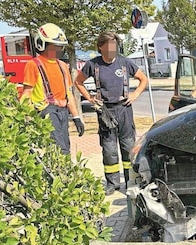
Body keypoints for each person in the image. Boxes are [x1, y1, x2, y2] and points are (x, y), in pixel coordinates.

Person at [74, 32, 149, 195]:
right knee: (109, 150)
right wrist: (90, 98)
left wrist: (134, 95)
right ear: (100, 47)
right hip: (105, 111)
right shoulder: (92, 65)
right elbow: (78, 82)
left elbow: (144, 80)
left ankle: (131, 180)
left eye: (114, 45)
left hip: (124, 109)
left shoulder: (125, 63)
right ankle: (112, 183)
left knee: (128, 147)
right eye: (108, 45)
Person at [21, 23, 84, 155]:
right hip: (46, 112)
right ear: (42, 44)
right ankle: (62, 174)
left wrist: (76, 117)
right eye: (55, 46)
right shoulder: (33, 65)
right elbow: (27, 93)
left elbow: (69, 94)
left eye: (60, 47)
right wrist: (22, 116)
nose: (58, 50)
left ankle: (64, 174)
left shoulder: (62, 66)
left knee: (65, 146)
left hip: (63, 112)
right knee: (59, 150)